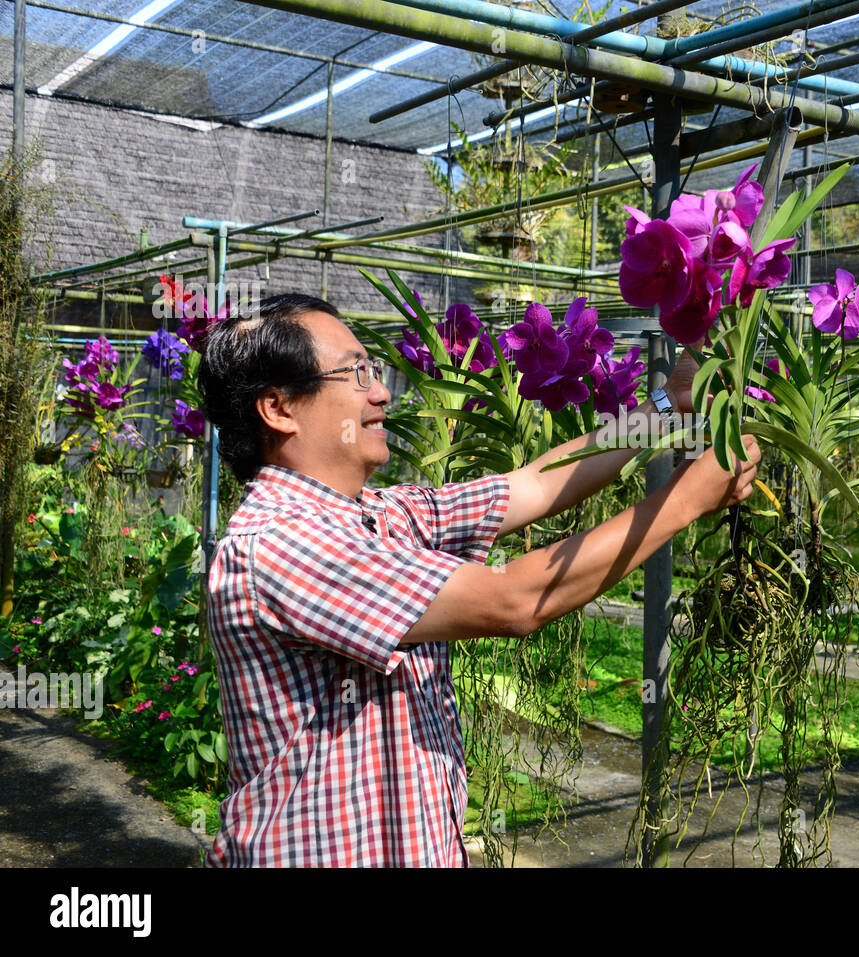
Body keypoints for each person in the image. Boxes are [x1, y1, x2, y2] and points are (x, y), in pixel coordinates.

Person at [197, 293, 759, 866]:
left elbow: (537, 484)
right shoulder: (281, 546)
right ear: (280, 408)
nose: (382, 391)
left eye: (376, 370)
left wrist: (668, 404)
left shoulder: (385, 514)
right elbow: (514, 600)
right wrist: (686, 499)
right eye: (357, 371)